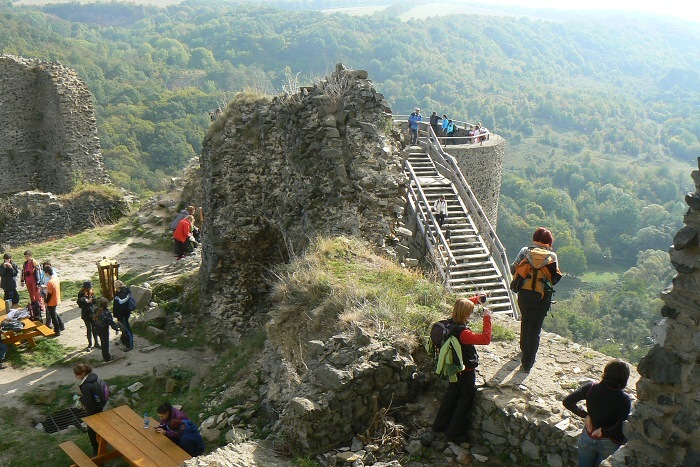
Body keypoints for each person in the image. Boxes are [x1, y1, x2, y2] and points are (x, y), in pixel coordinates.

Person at [433, 298, 492, 443]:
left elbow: (460, 304)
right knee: (464, 401)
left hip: (454, 368)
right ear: (465, 314)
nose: (471, 314)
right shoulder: (463, 333)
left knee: (451, 396)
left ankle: (438, 426)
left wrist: (476, 300)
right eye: (470, 312)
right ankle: (453, 433)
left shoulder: (451, 321)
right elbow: (485, 339)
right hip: (465, 371)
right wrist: (487, 318)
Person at [510, 227, 562, 372]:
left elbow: (513, 270)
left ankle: (523, 349)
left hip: (524, 294)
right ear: (549, 242)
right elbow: (555, 278)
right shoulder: (552, 256)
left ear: (534, 238)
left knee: (525, 320)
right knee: (535, 328)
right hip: (542, 296)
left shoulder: (525, 251)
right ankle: (527, 363)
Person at [563, 359, 632, 467]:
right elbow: (621, 427)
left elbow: (567, 401)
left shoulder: (591, 387)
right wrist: (603, 431)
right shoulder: (624, 399)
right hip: (609, 442)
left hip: (588, 436)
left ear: (606, 373)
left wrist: (585, 415)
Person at [73, 363, 104, 456]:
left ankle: (96, 450)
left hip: (92, 410)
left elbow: (88, 400)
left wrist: (80, 400)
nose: (75, 376)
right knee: (100, 426)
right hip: (99, 406)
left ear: (82, 373)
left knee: (91, 431)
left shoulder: (86, 385)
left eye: (77, 374)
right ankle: (102, 442)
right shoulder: (93, 378)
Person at [93, 297, 120, 362]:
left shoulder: (96, 310)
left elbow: (93, 318)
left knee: (102, 342)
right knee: (105, 344)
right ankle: (107, 358)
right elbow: (111, 322)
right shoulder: (107, 313)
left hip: (97, 328)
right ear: (106, 304)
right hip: (104, 329)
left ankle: (105, 356)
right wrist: (116, 328)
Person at [112, 280, 134, 351]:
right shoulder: (119, 292)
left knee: (126, 329)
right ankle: (123, 340)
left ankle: (130, 345)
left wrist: (119, 315)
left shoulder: (123, 294)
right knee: (123, 328)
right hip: (120, 315)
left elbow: (122, 306)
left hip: (123, 315)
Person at [77, 281, 99, 350]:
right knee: (89, 328)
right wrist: (87, 302)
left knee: (94, 328)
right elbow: (80, 304)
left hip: (92, 312)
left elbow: (95, 301)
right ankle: (90, 344)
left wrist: (92, 300)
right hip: (86, 313)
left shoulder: (91, 292)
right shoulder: (81, 294)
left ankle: (96, 343)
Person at [44, 265, 64, 336]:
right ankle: (61, 325)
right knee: (55, 312)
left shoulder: (50, 282)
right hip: (57, 298)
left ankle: (57, 330)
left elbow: (49, 294)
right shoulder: (56, 278)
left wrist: (46, 302)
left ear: (46, 273)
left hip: (51, 301)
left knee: (53, 316)